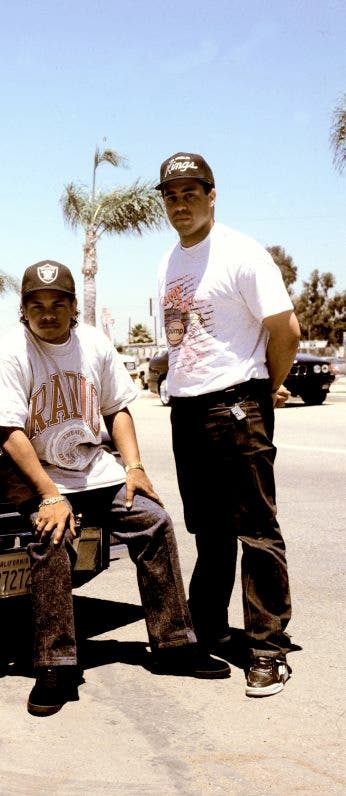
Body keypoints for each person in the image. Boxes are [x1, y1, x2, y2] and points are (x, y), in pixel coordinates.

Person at [0, 260, 231, 716]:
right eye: (37, 304)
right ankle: (55, 663)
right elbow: (10, 432)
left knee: (154, 521)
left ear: (74, 306)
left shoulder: (93, 343)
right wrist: (49, 496)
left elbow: (117, 410)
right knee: (51, 538)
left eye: (59, 303)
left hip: (95, 469)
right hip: (42, 475)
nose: (48, 313)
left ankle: (174, 643)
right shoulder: (11, 353)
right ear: (23, 309)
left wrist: (133, 465)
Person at [155, 152, 300, 697]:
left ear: (212, 195)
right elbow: (178, 338)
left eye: (191, 192)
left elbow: (284, 327)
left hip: (238, 403)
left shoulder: (241, 252)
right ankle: (208, 627)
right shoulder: (169, 260)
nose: (181, 202)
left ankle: (267, 647)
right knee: (208, 531)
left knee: (256, 529)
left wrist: (263, 386)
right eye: (171, 195)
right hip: (188, 407)